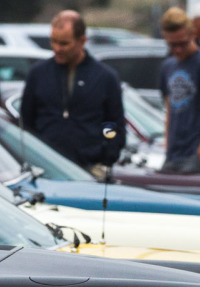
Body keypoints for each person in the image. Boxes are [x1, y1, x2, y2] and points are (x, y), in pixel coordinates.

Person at [20, 10, 126, 172]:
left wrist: (107, 155)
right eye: (53, 41)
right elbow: (26, 121)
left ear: (82, 41)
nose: (57, 48)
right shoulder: (38, 73)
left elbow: (112, 122)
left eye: (64, 43)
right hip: (46, 168)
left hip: (90, 168)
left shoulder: (105, 77)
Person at [158, 6, 200, 175]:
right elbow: (169, 110)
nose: (178, 49)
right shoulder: (168, 66)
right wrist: (168, 147)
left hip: (195, 153)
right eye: (172, 45)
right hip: (174, 153)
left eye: (182, 43)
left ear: (192, 34)